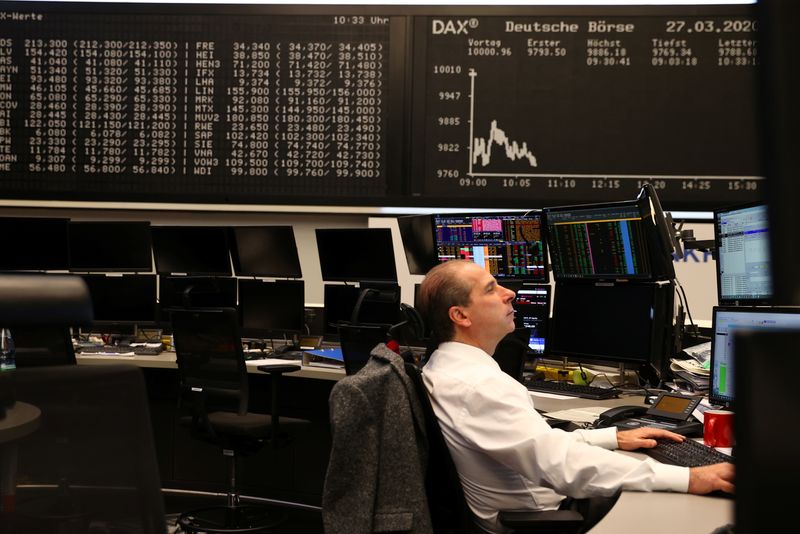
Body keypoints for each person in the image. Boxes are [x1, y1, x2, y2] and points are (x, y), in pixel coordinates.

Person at [417, 260, 734, 534]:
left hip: (524, 507)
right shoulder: (479, 386)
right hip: (538, 520)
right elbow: (560, 466)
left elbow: (535, 444)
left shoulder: (445, 367)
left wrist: (611, 438)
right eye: (490, 289)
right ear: (461, 315)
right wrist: (689, 477)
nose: (508, 292)